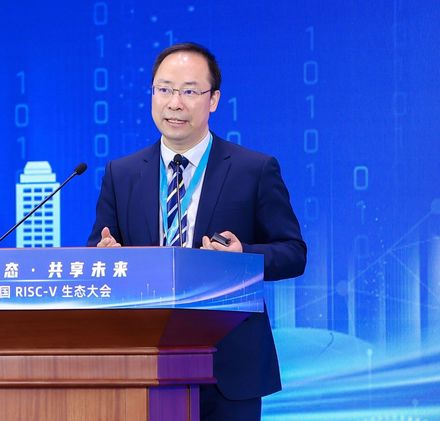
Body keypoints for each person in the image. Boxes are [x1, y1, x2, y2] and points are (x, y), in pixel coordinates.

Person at [87, 42, 307, 420]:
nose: (175, 103)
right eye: (165, 89)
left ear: (213, 99)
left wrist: (243, 257)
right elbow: (99, 249)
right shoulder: (121, 174)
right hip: (143, 361)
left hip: (229, 364)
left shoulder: (254, 169)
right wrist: (104, 258)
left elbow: (293, 252)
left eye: (189, 91)